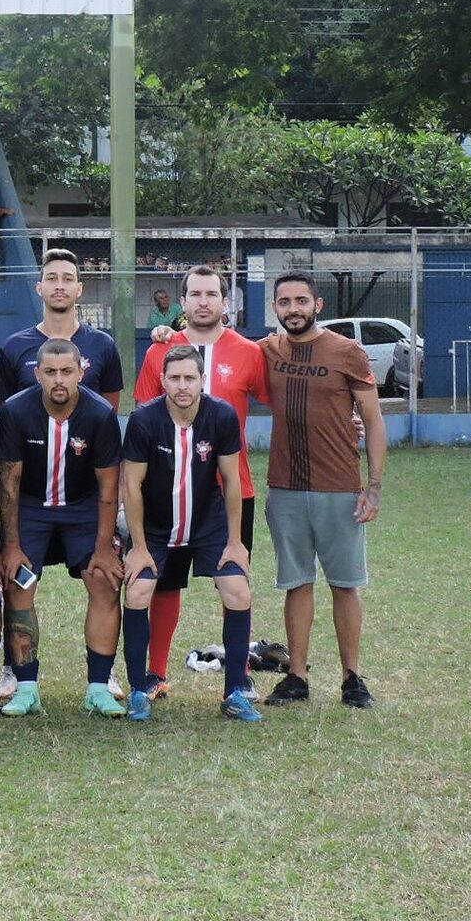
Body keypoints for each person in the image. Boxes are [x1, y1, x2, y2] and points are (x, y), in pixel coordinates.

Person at [135, 264, 270, 700]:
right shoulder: (162, 351)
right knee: (164, 583)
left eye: (212, 294)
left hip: (232, 491)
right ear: (184, 301)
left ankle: (239, 675)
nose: (204, 301)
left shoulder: (249, 351)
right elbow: (144, 419)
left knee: (232, 580)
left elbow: (280, 397)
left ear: (225, 302)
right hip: (167, 495)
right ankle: (155, 673)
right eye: (195, 294)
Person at [260, 272, 387, 710]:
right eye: (284, 302)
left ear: (318, 304)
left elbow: (371, 420)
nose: (292, 308)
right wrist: (167, 332)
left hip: (339, 488)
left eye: (301, 300)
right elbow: (213, 348)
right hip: (286, 489)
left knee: (345, 584)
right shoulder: (267, 351)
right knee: (296, 584)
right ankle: (296, 678)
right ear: (275, 307)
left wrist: (373, 487)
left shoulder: (346, 351)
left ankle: (352, 679)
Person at [119, 345, 261, 722]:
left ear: (202, 380)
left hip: (208, 524)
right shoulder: (144, 420)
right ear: (162, 380)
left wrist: (235, 542)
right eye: (175, 378)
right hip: (156, 525)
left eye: (190, 378)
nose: (182, 386)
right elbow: (131, 485)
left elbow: (232, 480)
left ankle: (234, 692)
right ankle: (138, 690)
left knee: (238, 590)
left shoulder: (221, 416)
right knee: (137, 591)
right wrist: (138, 547)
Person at [0, 337, 124, 718]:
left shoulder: (99, 414)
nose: (59, 380)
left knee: (104, 581)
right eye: (50, 372)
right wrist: (12, 544)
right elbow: (9, 484)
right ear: (36, 375)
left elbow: (108, 488)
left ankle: (99, 688)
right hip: (32, 507)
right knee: (18, 585)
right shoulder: (17, 411)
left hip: (83, 507)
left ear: (81, 372)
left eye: (67, 371)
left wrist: (103, 547)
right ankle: (27, 687)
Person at [0, 248, 126, 406]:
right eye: (51, 278)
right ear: (39, 288)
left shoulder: (103, 345)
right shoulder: (14, 347)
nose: (59, 286)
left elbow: (109, 410)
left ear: (79, 288)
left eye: (68, 279)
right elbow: (6, 409)